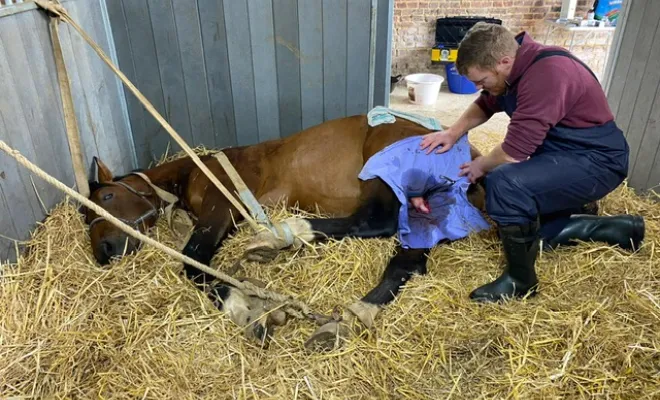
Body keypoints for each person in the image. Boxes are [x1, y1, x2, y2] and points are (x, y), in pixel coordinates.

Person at [412, 22, 645, 303]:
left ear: (505, 61)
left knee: (504, 183)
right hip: (564, 156)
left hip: (597, 162)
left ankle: (521, 281)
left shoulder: (547, 75)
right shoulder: (513, 71)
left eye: (482, 80)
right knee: (531, 233)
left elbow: (514, 151)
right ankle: (619, 228)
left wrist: (480, 165)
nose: (478, 88)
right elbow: (487, 104)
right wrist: (452, 132)